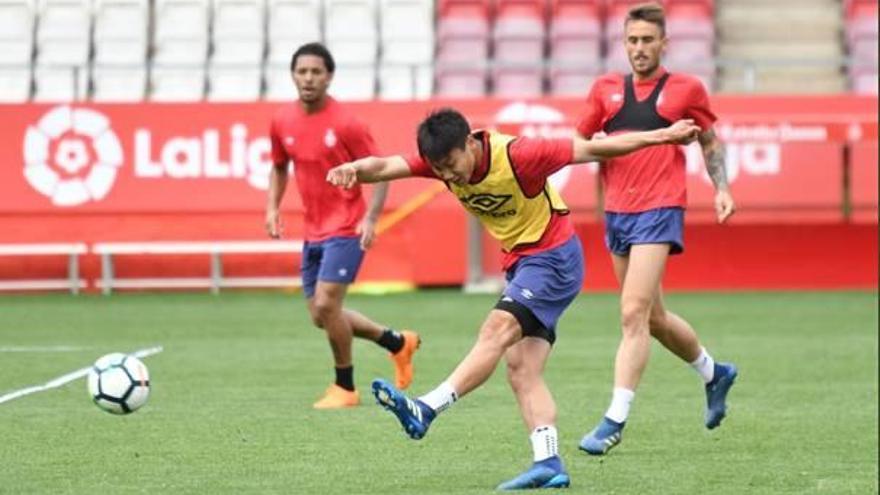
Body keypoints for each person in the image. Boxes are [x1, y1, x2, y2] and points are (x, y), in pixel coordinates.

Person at [326, 108, 700, 489]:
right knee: (521, 369)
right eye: (438, 168)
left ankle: (426, 408)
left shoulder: (521, 155)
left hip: (553, 259)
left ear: (469, 142)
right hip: (522, 265)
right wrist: (353, 169)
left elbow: (595, 150)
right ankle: (549, 460)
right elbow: (385, 165)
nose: (447, 175)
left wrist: (663, 136)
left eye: (452, 164)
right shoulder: (439, 160)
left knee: (497, 329)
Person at [574, 3, 738, 455]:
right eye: (633, 40)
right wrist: (599, 147)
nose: (640, 48)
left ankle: (613, 421)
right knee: (654, 319)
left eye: (648, 40)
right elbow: (581, 144)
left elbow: (708, 138)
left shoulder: (687, 89)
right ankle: (714, 372)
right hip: (618, 212)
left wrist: (721, 186)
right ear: (624, 43)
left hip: (661, 209)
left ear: (664, 43)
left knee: (631, 313)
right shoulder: (604, 90)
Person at [266, 42, 420, 410]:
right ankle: (397, 342)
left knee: (327, 304)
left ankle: (345, 387)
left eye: (316, 72)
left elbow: (381, 169)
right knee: (322, 315)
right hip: (313, 230)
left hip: (346, 227)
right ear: (292, 75)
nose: (308, 78)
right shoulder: (282, 121)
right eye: (302, 71)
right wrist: (272, 207)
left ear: (329, 76)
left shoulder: (347, 123)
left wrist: (371, 217)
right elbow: (278, 165)